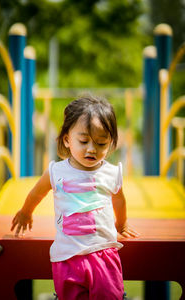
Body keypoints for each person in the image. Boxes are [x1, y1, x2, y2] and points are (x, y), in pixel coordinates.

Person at [11, 95, 138, 300]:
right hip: (67, 257)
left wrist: (121, 224)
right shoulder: (56, 171)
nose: (91, 149)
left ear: (111, 143)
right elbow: (37, 192)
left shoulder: (111, 173)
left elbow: (119, 199)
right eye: (83, 141)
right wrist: (26, 212)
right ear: (67, 139)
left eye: (101, 143)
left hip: (103, 253)